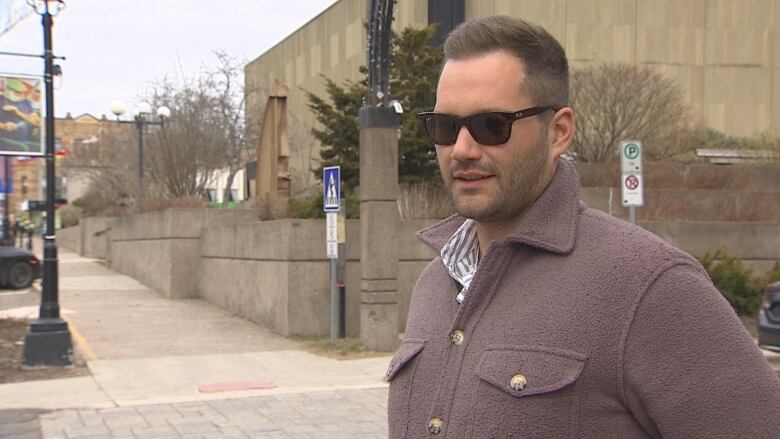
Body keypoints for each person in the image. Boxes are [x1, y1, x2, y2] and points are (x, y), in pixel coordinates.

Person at [386, 15, 780, 438]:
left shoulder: (649, 286)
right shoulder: (433, 284)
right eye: (445, 128)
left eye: (491, 126)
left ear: (558, 132)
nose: (461, 150)